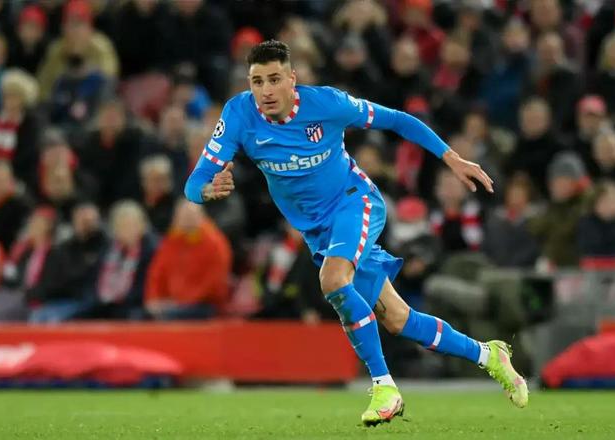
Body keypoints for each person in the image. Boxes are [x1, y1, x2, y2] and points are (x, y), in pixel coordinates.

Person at [184, 40, 527, 426]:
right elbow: (194, 182)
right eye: (257, 81)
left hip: (354, 202)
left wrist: (451, 157)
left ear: (292, 79)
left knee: (333, 279)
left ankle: (384, 387)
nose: (265, 90)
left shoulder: (328, 104)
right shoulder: (239, 114)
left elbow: (397, 120)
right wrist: (206, 190)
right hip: (318, 232)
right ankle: (489, 355)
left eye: (274, 79)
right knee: (398, 319)